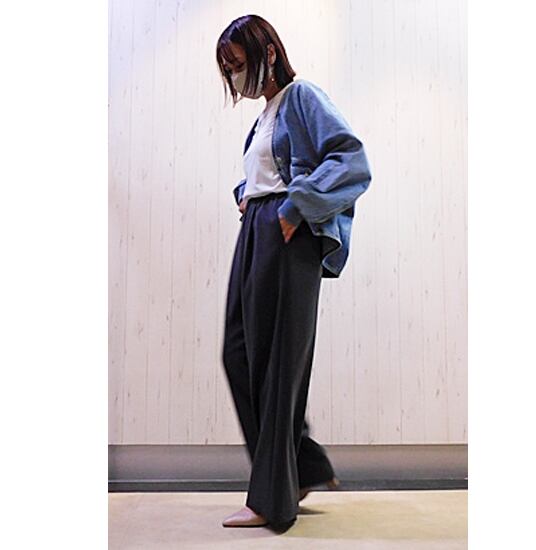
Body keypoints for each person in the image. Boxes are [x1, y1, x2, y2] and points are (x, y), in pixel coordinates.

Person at [216, 14, 372, 532]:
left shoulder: (302, 96)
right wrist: (249, 196)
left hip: (288, 235)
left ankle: (271, 499)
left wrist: (296, 206)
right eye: (228, 69)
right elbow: (269, 171)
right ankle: (300, 467)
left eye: (238, 63)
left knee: (277, 362)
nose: (234, 76)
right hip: (258, 231)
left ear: (269, 54)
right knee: (240, 352)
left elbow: (350, 159)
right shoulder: (265, 115)